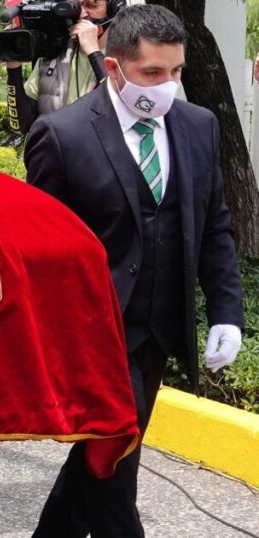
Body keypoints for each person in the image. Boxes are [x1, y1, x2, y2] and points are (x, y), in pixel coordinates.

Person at [24, 5, 243, 536]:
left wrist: (226, 312)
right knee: (114, 460)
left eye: (176, 72)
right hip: (93, 333)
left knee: (102, 460)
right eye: (153, 73)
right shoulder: (63, 135)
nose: (167, 85)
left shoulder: (198, 126)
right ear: (115, 66)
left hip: (156, 331)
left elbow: (214, 226)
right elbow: (40, 251)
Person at [5, 0, 125, 134]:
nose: (83, 14)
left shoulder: (125, 57)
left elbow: (120, 109)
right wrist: (13, 69)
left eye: (91, 5)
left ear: (114, 8)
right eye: (78, 7)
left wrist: (93, 51)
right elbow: (21, 126)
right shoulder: (53, 53)